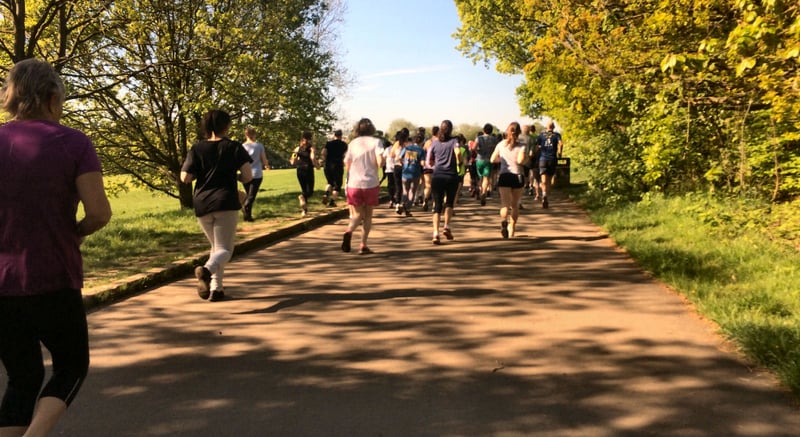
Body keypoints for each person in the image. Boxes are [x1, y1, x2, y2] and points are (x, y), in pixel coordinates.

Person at [0, 58, 112, 437]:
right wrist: (74, 232)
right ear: (52, 99)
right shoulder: (74, 142)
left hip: (1, 284)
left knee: (22, 378)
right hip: (53, 276)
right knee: (70, 367)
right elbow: (98, 213)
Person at [181, 110, 252, 301]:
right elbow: (248, 176)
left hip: (202, 202)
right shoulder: (234, 147)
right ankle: (206, 271)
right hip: (225, 200)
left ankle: (216, 289)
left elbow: (185, 177)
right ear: (227, 125)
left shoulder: (196, 148)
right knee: (225, 251)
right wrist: (231, 175)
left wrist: (202, 174)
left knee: (216, 248)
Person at [341, 118, 385, 255]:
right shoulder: (376, 142)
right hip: (370, 183)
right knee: (368, 215)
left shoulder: (353, 143)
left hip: (354, 183)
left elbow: (347, 163)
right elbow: (379, 163)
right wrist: (383, 159)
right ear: (372, 129)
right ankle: (363, 244)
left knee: (357, 214)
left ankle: (349, 230)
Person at [426, 120, 463, 244]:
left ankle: (435, 233)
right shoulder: (454, 141)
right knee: (449, 203)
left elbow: (430, 161)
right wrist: (460, 162)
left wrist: (437, 162)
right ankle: (446, 226)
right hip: (451, 176)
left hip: (437, 176)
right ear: (451, 130)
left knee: (437, 205)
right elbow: (458, 153)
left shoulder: (434, 143)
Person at [491, 122, 527, 238]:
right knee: (515, 205)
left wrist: (502, 161)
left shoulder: (500, 144)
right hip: (517, 176)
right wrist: (526, 159)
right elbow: (520, 161)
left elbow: (492, 159)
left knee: (505, 205)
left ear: (507, 131)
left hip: (504, 175)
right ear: (519, 132)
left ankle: (504, 223)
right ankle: (512, 228)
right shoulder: (522, 146)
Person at [241, 126, 270, 221]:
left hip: (245, 174)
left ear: (246, 135)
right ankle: (245, 207)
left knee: (248, 194)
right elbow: (263, 158)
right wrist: (266, 165)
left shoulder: (242, 147)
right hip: (257, 173)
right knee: (251, 196)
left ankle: (247, 216)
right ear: (254, 135)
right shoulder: (259, 146)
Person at [535, 121, 564, 208]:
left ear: (546, 127)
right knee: (549, 180)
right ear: (553, 127)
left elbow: (537, 146)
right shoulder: (557, 135)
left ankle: (543, 194)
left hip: (543, 159)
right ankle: (546, 196)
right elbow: (561, 144)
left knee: (543, 180)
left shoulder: (541, 135)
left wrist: (535, 154)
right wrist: (560, 153)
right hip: (552, 159)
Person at [289, 130, 318, 216]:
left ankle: (304, 210)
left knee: (304, 189)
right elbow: (312, 158)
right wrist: (317, 165)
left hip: (299, 170)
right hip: (308, 169)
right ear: (310, 139)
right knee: (309, 192)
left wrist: (296, 162)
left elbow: (292, 161)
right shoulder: (311, 148)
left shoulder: (297, 149)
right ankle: (301, 197)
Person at [399, 132, 426, 216]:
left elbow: (399, 157)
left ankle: (402, 203)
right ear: (422, 141)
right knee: (412, 191)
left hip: (405, 172)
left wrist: (403, 164)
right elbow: (422, 163)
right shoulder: (421, 150)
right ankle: (407, 208)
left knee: (405, 190)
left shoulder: (407, 148)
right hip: (415, 173)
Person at [321, 129, 347, 207]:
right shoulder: (344, 144)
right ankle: (332, 202)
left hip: (328, 165)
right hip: (338, 165)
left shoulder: (329, 143)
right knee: (338, 185)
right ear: (341, 136)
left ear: (334, 135)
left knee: (329, 182)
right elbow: (346, 155)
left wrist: (326, 159)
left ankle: (326, 194)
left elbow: (323, 152)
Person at [474, 123, 499, 206]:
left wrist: (478, 152)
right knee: (486, 178)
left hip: (479, 159)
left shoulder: (479, 138)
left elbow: (474, 148)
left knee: (480, 177)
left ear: (483, 130)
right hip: (488, 160)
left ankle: (480, 189)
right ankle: (484, 191)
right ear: (491, 131)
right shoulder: (494, 139)